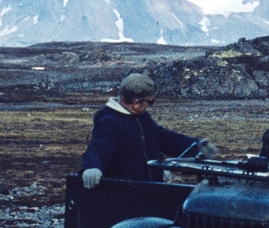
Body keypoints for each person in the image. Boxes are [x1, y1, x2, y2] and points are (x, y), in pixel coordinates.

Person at [80, 73, 217, 187]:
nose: (150, 105)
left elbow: (163, 137)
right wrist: (92, 167)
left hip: (149, 188)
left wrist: (195, 147)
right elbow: (99, 147)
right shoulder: (110, 121)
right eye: (150, 102)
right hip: (126, 193)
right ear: (136, 102)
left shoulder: (143, 117)